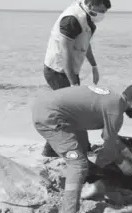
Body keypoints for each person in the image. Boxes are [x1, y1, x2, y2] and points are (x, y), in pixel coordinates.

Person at [32, 84, 132, 213]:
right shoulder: (116, 112)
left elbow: (109, 136)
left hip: (52, 108)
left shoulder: (112, 98)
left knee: (83, 147)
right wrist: (123, 164)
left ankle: (89, 183)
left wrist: (125, 151)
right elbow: (108, 147)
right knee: (78, 164)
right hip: (51, 118)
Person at [41, 0, 111, 157]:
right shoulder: (72, 19)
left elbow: (85, 44)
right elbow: (65, 51)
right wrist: (73, 83)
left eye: (105, 12)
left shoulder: (88, 20)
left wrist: (94, 66)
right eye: (100, 10)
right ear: (90, 4)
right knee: (72, 110)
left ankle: (55, 149)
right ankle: (76, 148)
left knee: (69, 111)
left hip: (70, 70)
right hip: (57, 70)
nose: (102, 15)